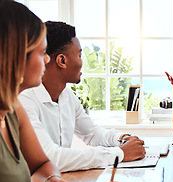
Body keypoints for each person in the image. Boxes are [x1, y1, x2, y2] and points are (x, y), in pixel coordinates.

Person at [0, 1, 127, 182]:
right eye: (41, 53)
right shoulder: (25, 101)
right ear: (15, 56)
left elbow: (41, 164)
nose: (47, 60)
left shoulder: (13, 108)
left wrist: (52, 180)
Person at [19, 21, 146, 172]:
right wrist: (119, 154)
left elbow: (92, 133)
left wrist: (122, 138)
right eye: (79, 55)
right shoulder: (25, 100)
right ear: (62, 61)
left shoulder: (66, 95)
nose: (82, 62)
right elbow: (51, 157)